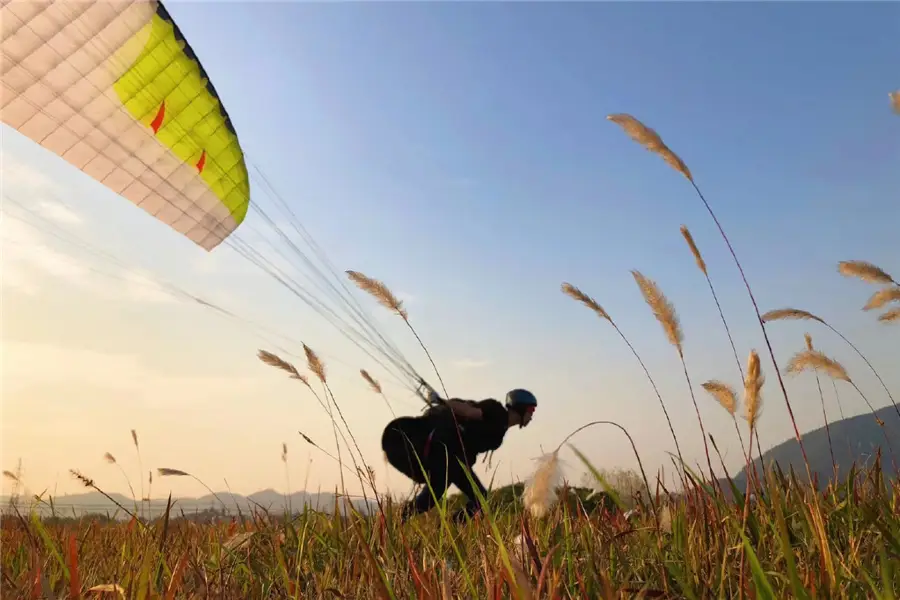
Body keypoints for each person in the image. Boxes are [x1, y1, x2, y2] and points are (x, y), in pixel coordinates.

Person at [381, 385, 537, 522]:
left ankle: (401, 521)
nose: (532, 415)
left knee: (432, 499)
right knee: (479, 498)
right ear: (520, 408)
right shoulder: (496, 410)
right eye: (531, 410)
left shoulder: (501, 429)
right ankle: (447, 525)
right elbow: (470, 412)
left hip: (453, 460)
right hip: (447, 455)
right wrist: (441, 401)